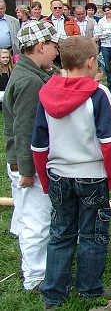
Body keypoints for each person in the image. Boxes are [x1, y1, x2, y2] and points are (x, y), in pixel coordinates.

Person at [31, 36, 111, 309]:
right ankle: (89, 289)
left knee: (61, 233)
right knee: (93, 233)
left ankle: (54, 293)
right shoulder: (99, 94)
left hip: (59, 174)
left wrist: (46, 180)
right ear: (91, 62)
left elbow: (38, 144)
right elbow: (110, 142)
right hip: (92, 176)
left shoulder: (45, 92)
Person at [3, 20, 65, 291]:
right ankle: (36, 277)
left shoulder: (33, 73)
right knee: (35, 220)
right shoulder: (29, 82)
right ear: (41, 46)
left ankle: (33, 265)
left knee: (28, 215)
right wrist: (27, 171)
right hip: (27, 165)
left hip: (27, 163)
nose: (56, 51)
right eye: (53, 46)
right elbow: (25, 130)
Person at [94, 2, 111, 94]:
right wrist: (107, 34)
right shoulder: (101, 21)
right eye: (105, 11)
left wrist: (107, 34)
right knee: (107, 68)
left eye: (108, 10)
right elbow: (99, 34)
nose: (107, 12)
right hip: (105, 46)